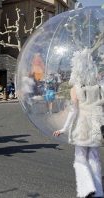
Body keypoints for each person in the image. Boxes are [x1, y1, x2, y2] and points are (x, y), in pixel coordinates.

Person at [53, 49, 103, 198]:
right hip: (98, 123)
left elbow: (73, 111)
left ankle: (86, 189)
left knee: (80, 156)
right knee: (94, 156)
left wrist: (64, 128)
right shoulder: (100, 87)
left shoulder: (75, 89)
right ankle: (99, 191)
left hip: (83, 124)